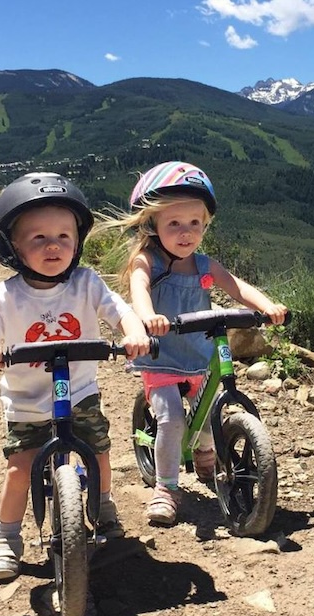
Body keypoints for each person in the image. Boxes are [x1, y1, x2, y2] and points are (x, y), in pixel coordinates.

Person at [0, 172, 151, 584]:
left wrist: (132, 329)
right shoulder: (4, 297)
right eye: (38, 238)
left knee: (98, 449)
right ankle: (6, 538)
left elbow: (117, 308)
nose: (54, 246)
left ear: (77, 241)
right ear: (12, 247)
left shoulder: (86, 282)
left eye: (64, 236)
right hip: (28, 401)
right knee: (20, 469)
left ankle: (103, 504)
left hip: (79, 392)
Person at [101, 160, 287, 526]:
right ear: (152, 224)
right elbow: (138, 290)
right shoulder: (147, 261)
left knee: (209, 407)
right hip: (162, 359)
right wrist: (149, 315)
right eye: (174, 224)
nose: (186, 233)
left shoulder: (204, 264)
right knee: (170, 418)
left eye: (195, 224)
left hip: (197, 356)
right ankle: (167, 488)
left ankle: (205, 450)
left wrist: (267, 306)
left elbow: (236, 286)